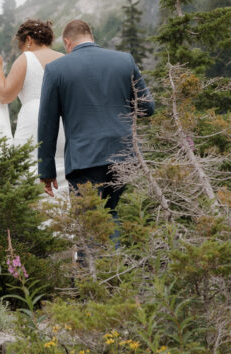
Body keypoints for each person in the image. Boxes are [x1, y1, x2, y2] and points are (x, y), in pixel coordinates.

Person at [37, 18, 154, 228]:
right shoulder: (124, 60)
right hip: (124, 154)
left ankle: (91, 262)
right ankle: (115, 260)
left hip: (84, 158)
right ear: (92, 37)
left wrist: (47, 171)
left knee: (88, 223)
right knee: (111, 213)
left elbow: (48, 123)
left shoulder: (56, 70)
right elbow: (147, 108)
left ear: (67, 42)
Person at [0, 19, 66, 187]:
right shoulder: (65, 59)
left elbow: (5, 95)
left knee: (29, 169)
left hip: (34, 123)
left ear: (29, 40)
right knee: (64, 168)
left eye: (21, 45)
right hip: (63, 122)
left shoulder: (26, 59)